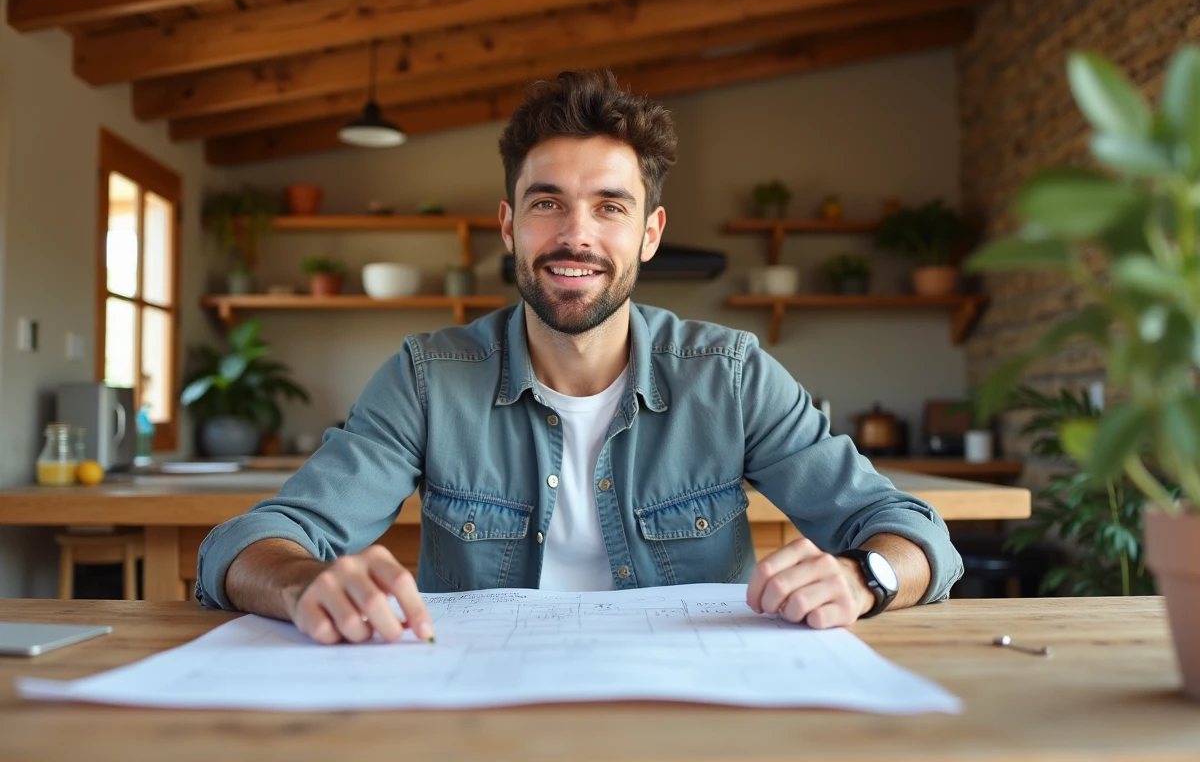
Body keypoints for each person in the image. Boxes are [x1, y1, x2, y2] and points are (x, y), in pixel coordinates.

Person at [197, 70, 963, 645]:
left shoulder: (729, 373)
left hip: (691, 713)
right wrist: (303, 583)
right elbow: (247, 545)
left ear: (651, 233)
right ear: (509, 225)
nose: (576, 234)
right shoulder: (428, 377)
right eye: (547, 202)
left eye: (609, 205)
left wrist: (865, 576)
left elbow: (911, 531)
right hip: (477, 710)